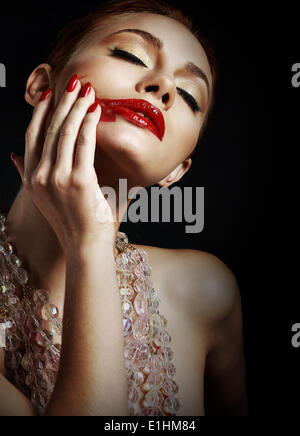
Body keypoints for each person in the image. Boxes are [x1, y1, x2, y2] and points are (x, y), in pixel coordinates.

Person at [0, 0, 248, 416]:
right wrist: (88, 243)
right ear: (42, 86)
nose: (163, 88)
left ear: (177, 171)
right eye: (130, 55)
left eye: (189, 95)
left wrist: (92, 240)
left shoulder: (207, 293)